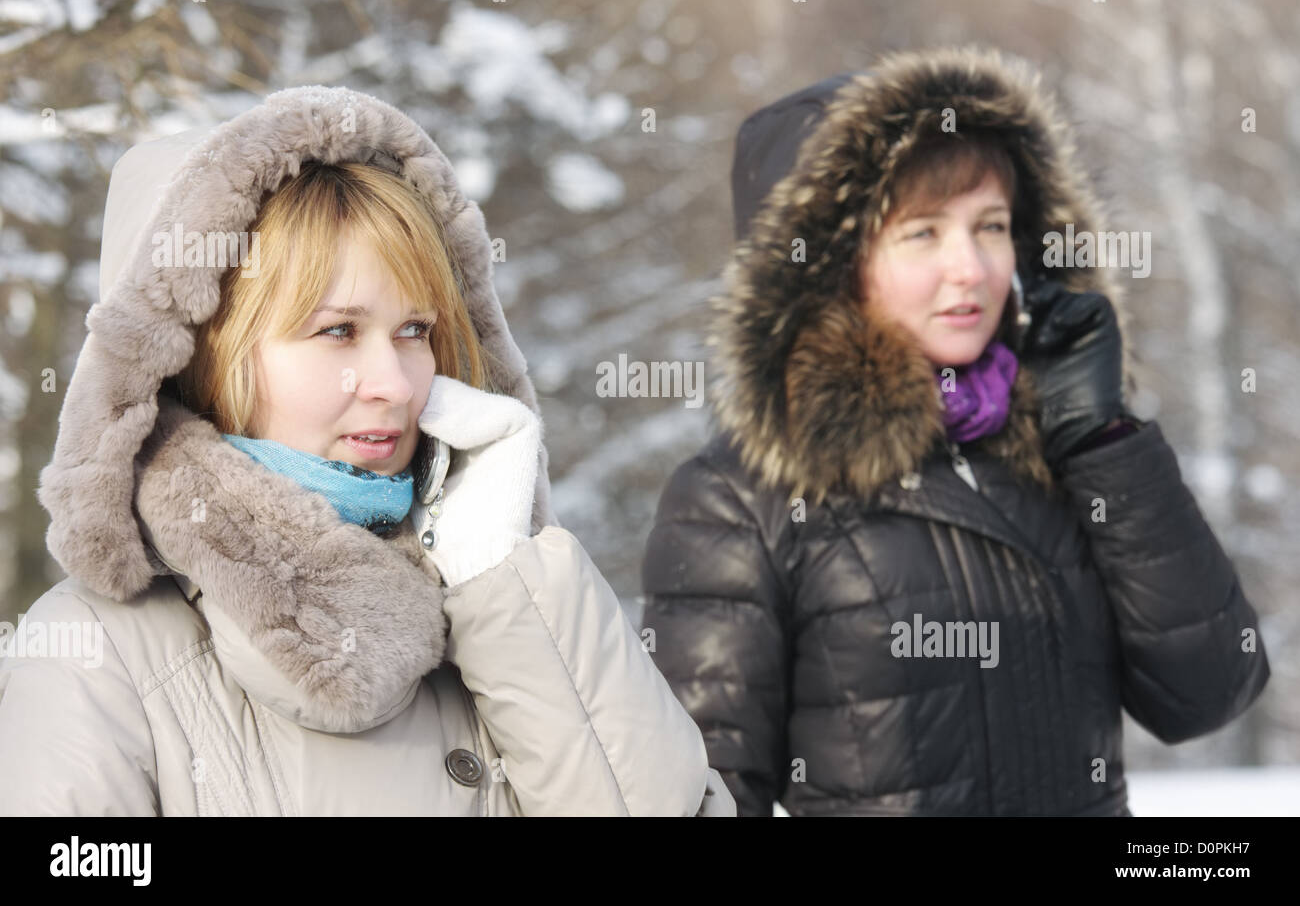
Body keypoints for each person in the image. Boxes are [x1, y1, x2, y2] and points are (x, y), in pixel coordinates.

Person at [0, 85, 734, 817]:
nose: (394, 383)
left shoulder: (503, 597)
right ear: (199, 355)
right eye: (337, 331)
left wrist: (506, 583)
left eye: (415, 329)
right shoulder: (94, 653)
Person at [641, 45, 1270, 816]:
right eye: (923, 233)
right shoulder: (737, 500)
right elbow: (700, 799)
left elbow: (1210, 692)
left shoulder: (1064, 455)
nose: (970, 268)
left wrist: (1101, 438)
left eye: (992, 226)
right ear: (828, 266)